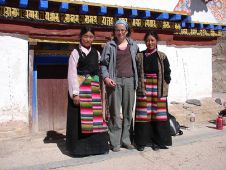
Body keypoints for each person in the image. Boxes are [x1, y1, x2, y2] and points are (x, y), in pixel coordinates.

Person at [66, 26, 109, 157]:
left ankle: (95, 148)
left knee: (94, 120)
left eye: (91, 37)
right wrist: (75, 93)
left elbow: (99, 71)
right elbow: (72, 73)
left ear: (93, 38)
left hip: (93, 91)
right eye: (85, 36)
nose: (88, 39)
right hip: (80, 88)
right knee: (79, 121)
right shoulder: (75, 52)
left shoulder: (96, 53)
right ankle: (79, 149)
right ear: (81, 37)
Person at [100, 20, 139, 152]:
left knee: (128, 112)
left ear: (127, 31)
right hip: (114, 81)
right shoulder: (109, 45)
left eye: (123, 30)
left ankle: (126, 140)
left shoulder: (134, 45)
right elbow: (103, 64)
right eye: (117, 30)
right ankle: (115, 142)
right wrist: (106, 78)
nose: (120, 32)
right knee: (115, 113)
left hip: (130, 81)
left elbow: (138, 64)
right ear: (114, 31)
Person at [135, 31, 172, 151]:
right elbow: (135, 71)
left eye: (152, 40)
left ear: (156, 41)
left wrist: (166, 82)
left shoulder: (162, 56)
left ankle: (158, 142)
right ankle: (142, 142)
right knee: (142, 115)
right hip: (143, 87)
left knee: (158, 115)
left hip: (158, 87)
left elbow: (167, 72)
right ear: (145, 42)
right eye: (148, 40)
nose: (150, 43)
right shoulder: (139, 56)